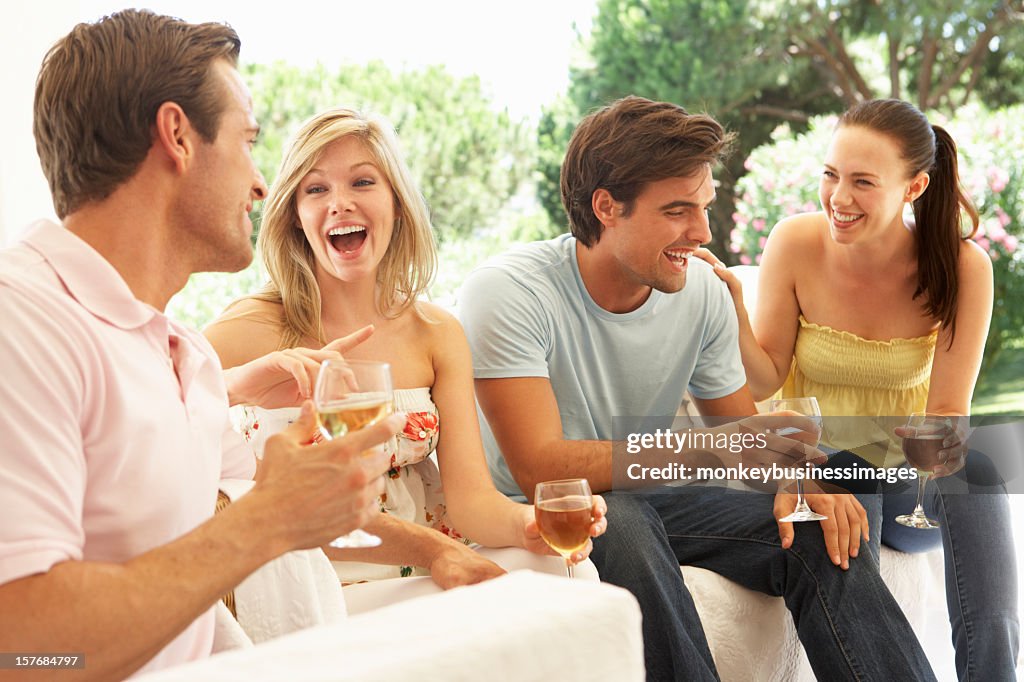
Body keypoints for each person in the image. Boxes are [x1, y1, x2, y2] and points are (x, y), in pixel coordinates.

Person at [458, 95, 939, 681]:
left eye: (705, 206)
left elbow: (744, 431)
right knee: (628, 521)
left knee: (820, 516)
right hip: (543, 513)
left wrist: (798, 475)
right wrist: (719, 448)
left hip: (654, 496)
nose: (702, 231)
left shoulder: (701, 293)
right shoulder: (509, 293)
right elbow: (541, 469)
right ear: (606, 207)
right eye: (678, 210)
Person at [0, 11, 404, 679]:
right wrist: (265, 523)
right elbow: (19, 649)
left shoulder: (183, 354)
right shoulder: (23, 321)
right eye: (247, 142)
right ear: (178, 137)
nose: (260, 183)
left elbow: (275, 499)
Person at [203, 106, 606, 589]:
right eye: (316, 189)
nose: (339, 203)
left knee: (569, 569)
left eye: (363, 182)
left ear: (396, 201)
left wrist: (530, 527)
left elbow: (470, 500)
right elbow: (164, 417)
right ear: (295, 216)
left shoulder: (437, 331)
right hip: (317, 575)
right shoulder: (247, 329)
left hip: (433, 564)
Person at [698, 98, 1019, 680]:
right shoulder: (795, 242)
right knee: (847, 476)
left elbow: (949, 412)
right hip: (816, 471)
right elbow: (767, 373)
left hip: (903, 485)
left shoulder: (963, 266)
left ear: (914, 186)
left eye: (863, 182)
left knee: (978, 471)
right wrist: (735, 317)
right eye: (830, 175)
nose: (838, 199)